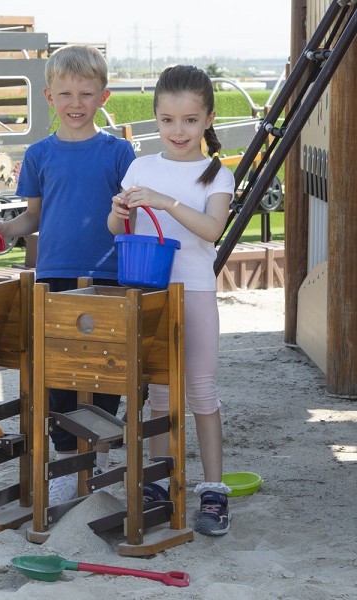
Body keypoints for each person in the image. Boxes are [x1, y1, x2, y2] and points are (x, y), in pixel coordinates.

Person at [0, 44, 136, 504]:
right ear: (48, 96)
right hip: (53, 278)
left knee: (105, 371)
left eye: (86, 93)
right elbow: (34, 218)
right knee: (56, 374)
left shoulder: (120, 153)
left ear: (103, 97)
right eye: (65, 93)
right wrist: (5, 230)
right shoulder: (40, 153)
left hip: (109, 278)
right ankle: (66, 461)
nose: (75, 102)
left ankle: (99, 455)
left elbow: (133, 218)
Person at [107, 64, 235, 536]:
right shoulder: (140, 166)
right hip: (150, 293)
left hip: (196, 292)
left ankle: (215, 491)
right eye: (166, 120)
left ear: (208, 119)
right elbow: (117, 230)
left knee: (201, 389)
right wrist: (120, 211)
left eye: (189, 120)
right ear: (156, 119)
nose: (177, 131)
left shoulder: (215, 174)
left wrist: (165, 202)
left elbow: (212, 230)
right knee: (159, 393)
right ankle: (160, 484)